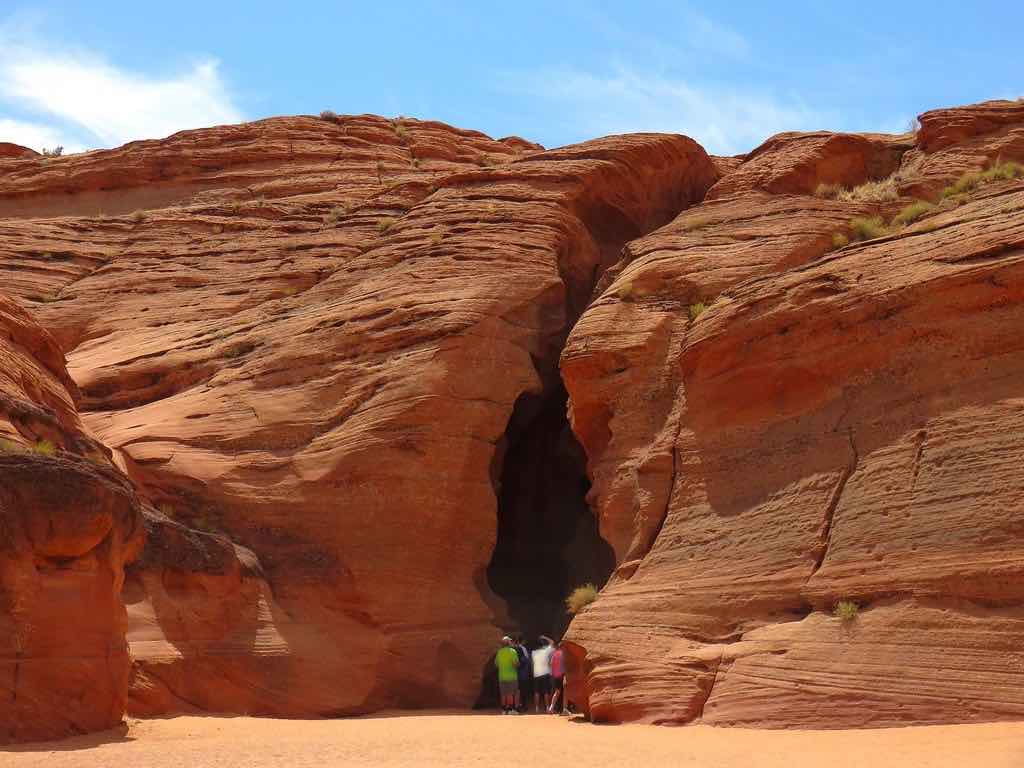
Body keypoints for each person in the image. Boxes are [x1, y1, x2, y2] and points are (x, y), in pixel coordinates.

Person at [494, 636, 520, 715]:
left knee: (503, 694)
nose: (511, 642)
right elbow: (516, 664)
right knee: (510, 693)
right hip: (511, 676)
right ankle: (511, 710)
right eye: (510, 641)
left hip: (501, 676)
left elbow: (496, 664)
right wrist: (518, 665)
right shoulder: (512, 651)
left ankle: (504, 710)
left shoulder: (499, 652)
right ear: (508, 643)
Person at [531, 636, 555, 713]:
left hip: (536, 673)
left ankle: (537, 708)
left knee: (536, 691)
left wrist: (532, 672)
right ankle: (547, 707)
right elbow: (552, 643)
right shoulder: (546, 651)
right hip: (545, 673)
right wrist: (545, 637)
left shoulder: (533, 652)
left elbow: (532, 663)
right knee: (546, 691)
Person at [514, 634, 532, 713]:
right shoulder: (523, 648)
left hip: (514, 671)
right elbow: (527, 659)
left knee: (516, 689)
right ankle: (523, 705)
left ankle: (516, 705)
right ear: (523, 641)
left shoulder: (513, 648)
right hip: (522, 672)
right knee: (523, 689)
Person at [547, 641, 565, 714]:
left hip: (555, 676)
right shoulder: (564, 654)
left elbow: (550, 664)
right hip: (562, 675)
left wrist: (553, 673)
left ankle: (552, 707)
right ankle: (563, 708)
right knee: (564, 692)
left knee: (557, 692)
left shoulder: (555, 654)